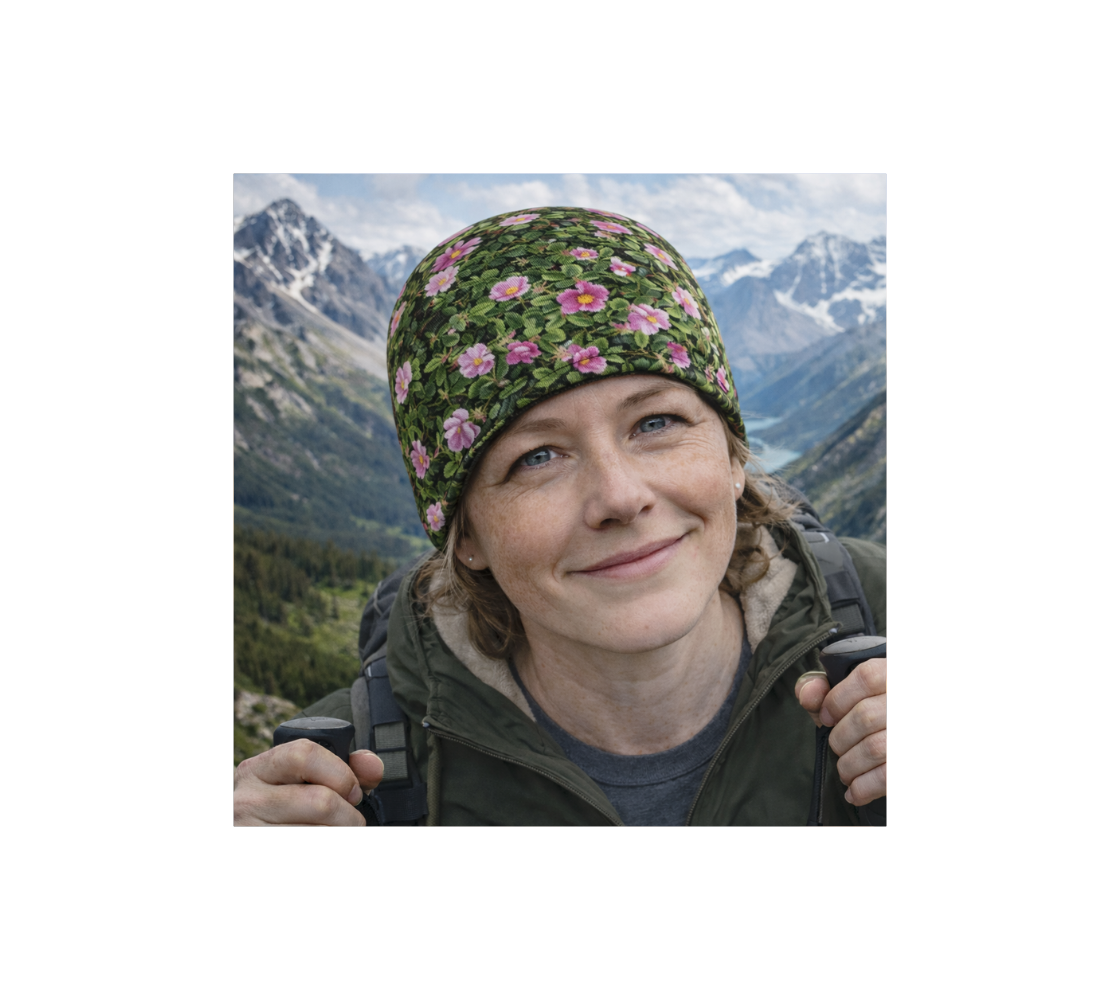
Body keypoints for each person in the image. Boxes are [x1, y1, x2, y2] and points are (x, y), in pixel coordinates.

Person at [233, 206, 887, 826]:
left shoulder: (875, 611)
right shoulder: (340, 781)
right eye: (537, 457)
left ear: (733, 457)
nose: (620, 497)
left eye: (656, 422)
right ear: (465, 535)